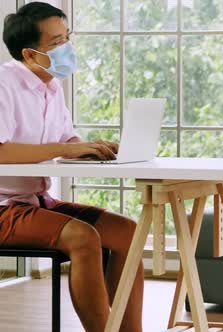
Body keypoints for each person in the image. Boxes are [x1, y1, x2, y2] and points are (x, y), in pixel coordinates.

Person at [0, 2, 143, 331]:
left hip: (35, 202)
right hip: (4, 208)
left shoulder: (51, 87)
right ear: (30, 53)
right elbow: (2, 152)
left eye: (68, 37)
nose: (68, 48)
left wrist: (92, 149)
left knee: (127, 232)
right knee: (83, 237)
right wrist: (68, 147)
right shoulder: (4, 84)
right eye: (57, 43)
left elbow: (67, 138)